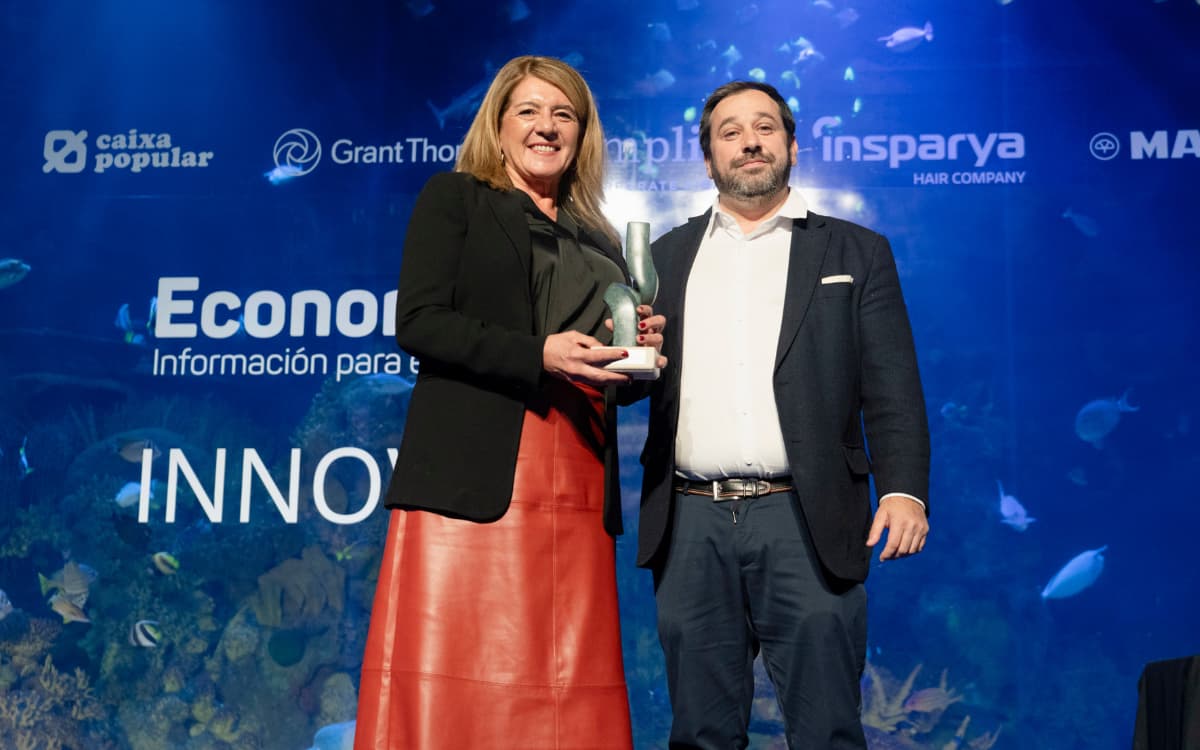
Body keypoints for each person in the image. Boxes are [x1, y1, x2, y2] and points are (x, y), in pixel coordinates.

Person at [354, 55, 665, 749]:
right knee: (456, 678)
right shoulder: (455, 198)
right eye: (528, 111)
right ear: (498, 127)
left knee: (566, 685)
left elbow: (609, 374)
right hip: (476, 471)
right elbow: (420, 324)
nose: (546, 127)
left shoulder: (600, 236)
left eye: (564, 115)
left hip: (579, 473)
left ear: (582, 135)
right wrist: (539, 354)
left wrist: (636, 356)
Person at [634, 81, 930, 749]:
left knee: (826, 731)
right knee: (700, 734)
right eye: (730, 131)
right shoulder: (663, 257)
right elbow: (634, 384)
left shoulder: (856, 252)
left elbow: (893, 387)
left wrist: (904, 490)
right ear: (708, 158)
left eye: (765, 127)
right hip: (690, 523)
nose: (750, 142)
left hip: (807, 515)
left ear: (792, 147)